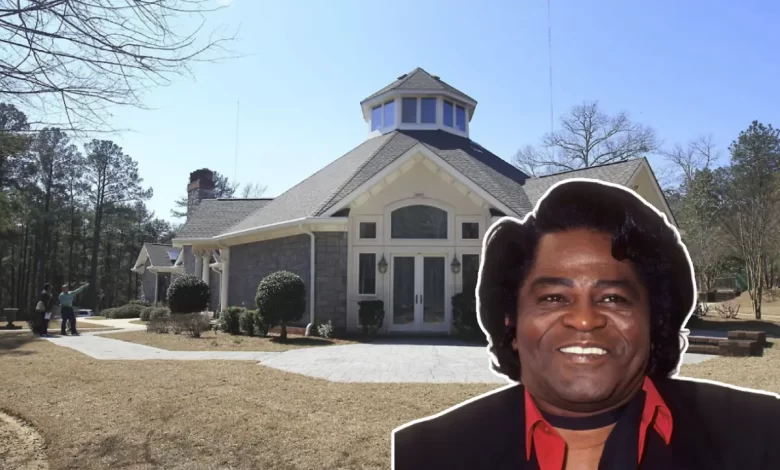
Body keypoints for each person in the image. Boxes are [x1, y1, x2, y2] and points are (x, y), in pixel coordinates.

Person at [392, 179, 780, 469]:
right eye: (553, 298)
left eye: (613, 298)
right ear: (511, 322)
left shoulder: (763, 436)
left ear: (653, 320)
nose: (584, 319)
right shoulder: (427, 454)